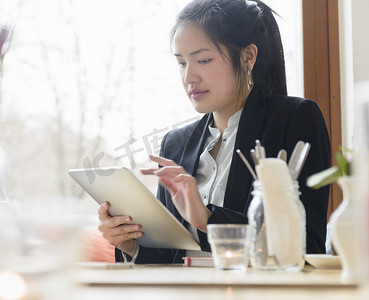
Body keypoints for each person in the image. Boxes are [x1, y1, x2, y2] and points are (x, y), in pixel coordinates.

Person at [98, 0, 330, 264]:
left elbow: (307, 245)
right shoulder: (175, 144)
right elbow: (168, 259)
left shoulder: (295, 119)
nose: (189, 77)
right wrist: (131, 244)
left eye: (203, 60)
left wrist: (209, 220)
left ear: (248, 56)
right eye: (182, 63)